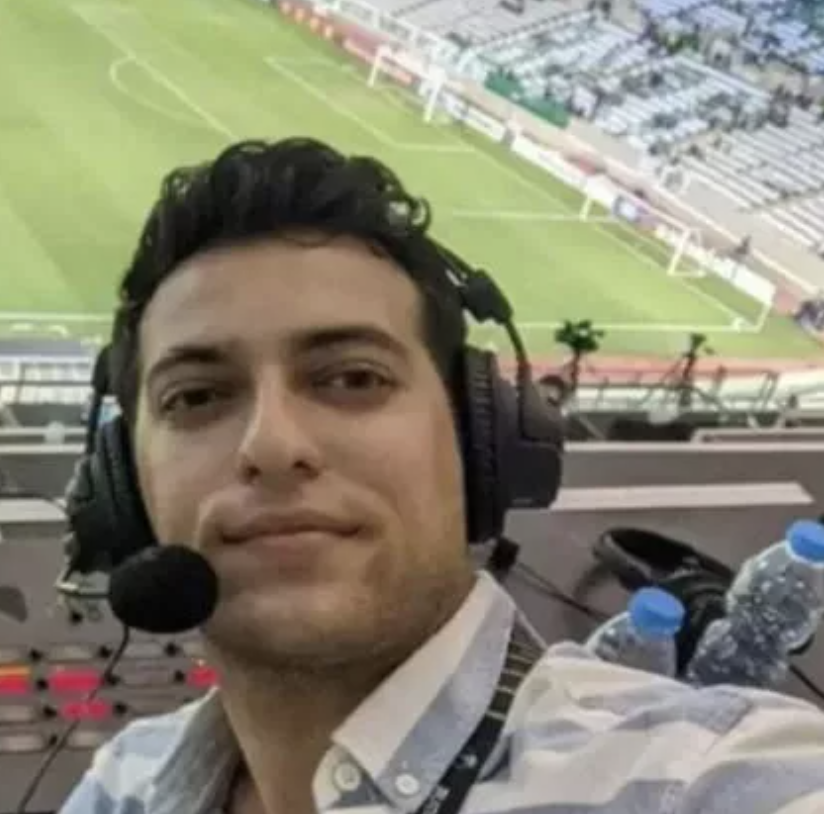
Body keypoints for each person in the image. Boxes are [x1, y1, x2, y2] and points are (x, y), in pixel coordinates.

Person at [60, 139, 824, 814]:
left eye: (352, 378)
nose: (272, 444)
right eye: (197, 396)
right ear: (124, 487)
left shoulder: (702, 782)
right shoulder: (123, 783)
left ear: (479, 439)